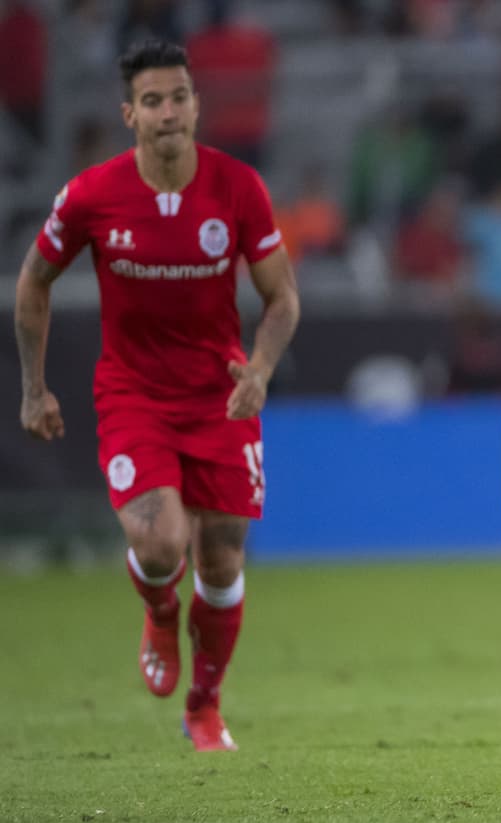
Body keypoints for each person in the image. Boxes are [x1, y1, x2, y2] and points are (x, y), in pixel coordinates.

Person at [13, 40, 301, 752]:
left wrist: (260, 370)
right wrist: (33, 388)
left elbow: (282, 298)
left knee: (224, 562)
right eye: (152, 101)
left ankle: (204, 710)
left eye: (179, 97)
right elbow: (33, 285)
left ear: (197, 106)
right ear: (129, 115)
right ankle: (157, 609)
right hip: (133, 394)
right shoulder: (91, 195)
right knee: (162, 538)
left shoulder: (237, 188)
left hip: (220, 393)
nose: (168, 111)